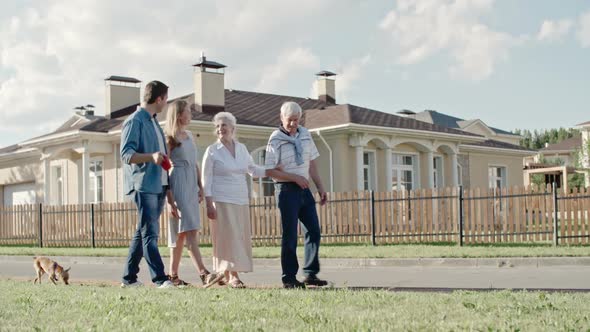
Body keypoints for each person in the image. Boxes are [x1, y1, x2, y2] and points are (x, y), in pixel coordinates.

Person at [201, 112, 272, 288]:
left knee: (238, 237)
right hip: (222, 199)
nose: (220, 129)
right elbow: (206, 179)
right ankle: (233, 276)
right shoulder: (212, 151)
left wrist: (272, 171)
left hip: (240, 199)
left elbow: (252, 170)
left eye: (224, 125)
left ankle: (225, 273)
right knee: (228, 237)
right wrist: (209, 204)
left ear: (233, 128)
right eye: (217, 126)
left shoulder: (241, 148)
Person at [265, 101, 329, 289]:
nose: (293, 124)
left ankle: (310, 273)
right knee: (290, 234)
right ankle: (289, 278)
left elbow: (311, 163)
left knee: (313, 230)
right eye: (289, 120)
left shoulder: (306, 135)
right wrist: (293, 177)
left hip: (304, 190)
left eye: (296, 120)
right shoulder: (275, 139)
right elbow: (269, 170)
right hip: (286, 190)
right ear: (281, 118)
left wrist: (320, 187)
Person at [120, 80, 174, 288]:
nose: (166, 104)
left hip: (158, 185)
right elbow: (127, 155)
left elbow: (160, 156)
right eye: (166, 99)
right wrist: (151, 156)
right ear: (159, 98)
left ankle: (129, 278)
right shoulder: (135, 121)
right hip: (143, 185)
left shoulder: (153, 122)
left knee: (142, 232)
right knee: (150, 233)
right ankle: (160, 279)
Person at [163, 100, 218, 287]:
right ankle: (204, 273)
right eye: (188, 111)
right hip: (177, 183)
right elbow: (163, 169)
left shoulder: (190, 136)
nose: (191, 114)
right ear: (179, 115)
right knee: (189, 230)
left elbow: (194, 163)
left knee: (182, 234)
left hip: (191, 183)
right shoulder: (169, 139)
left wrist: (200, 187)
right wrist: (169, 201)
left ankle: (173, 276)